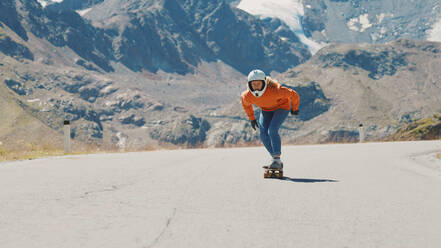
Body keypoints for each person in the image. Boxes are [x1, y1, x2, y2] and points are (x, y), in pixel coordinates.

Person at [241, 69, 300, 169]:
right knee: (263, 134)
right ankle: (276, 160)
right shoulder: (247, 96)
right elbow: (246, 105)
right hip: (266, 110)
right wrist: (252, 119)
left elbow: (293, 95)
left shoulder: (276, 91)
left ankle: (276, 159)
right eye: (253, 84)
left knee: (272, 130)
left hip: (281, 108)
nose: (255, 87)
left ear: (264, 83)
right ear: (249, 85)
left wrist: (294, 108)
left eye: (258, 84)